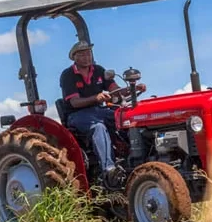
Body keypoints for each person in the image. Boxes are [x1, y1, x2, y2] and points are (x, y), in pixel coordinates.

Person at [59, 41, 146, 183]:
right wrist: (96, 98)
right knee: (98, 127)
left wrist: (133, 88)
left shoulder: (99, 70)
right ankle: (110, 170)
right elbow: (74, 102)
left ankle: (135, 157)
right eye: (82, 54)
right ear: (75, 57)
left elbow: (115, 90)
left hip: (99, 111)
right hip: (77, 115)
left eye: (88, 53)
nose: (87, 57)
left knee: (124, 117)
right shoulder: (68, 75)